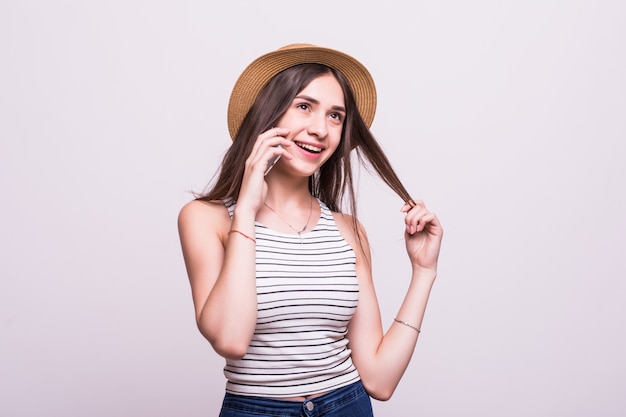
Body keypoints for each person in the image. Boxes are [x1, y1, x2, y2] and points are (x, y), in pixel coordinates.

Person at [178, 43, 443, 417]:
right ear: (267, 114)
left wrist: (424, 272)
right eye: (304, 106)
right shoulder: (206, 218)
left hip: (347, 405)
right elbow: (231, 339)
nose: (320, 129)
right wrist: (248, 208)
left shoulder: (349, 230)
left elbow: (380, 381)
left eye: (336, 116)